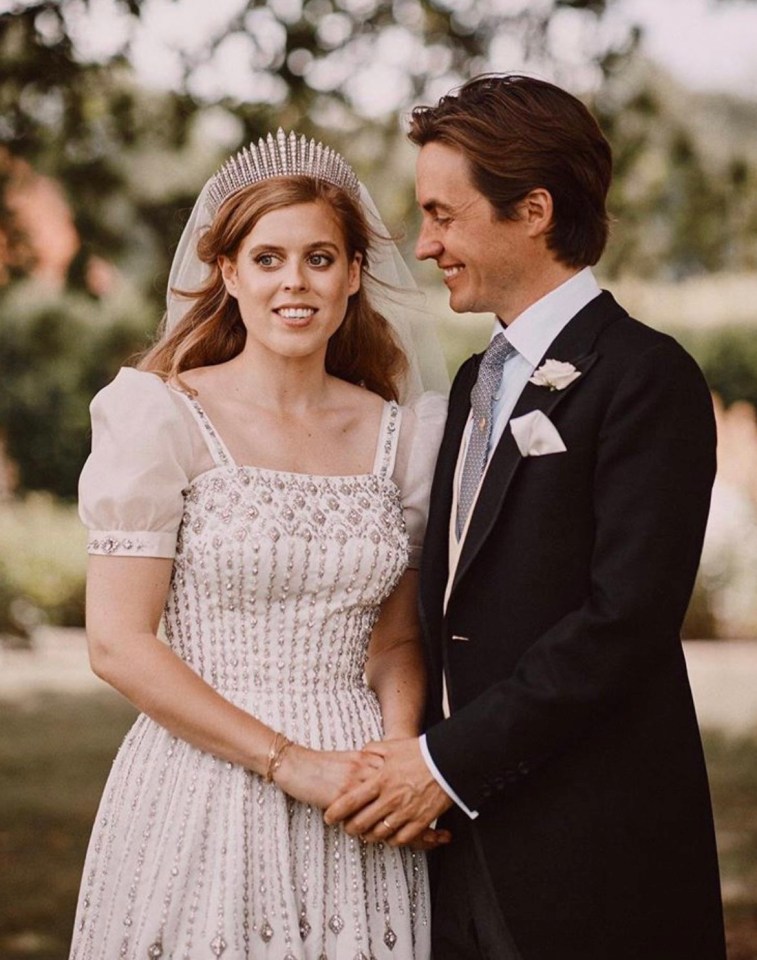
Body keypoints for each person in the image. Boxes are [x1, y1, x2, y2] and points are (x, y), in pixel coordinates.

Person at [325, 75, 727, 959]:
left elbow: (624, 622)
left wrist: (443, 764)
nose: (425, 244)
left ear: (533, 209)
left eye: (443, 214)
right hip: (458, 841)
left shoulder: (644, 378)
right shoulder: (475, 381)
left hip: (592, 844)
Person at [70, 130, 449, 960]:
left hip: (358, 792)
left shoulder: (405, 438)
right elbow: (118, 644)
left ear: (354, 273)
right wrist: (288, 763)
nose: (294, 283)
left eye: (319, 258)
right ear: (229, 273)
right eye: (268, 258)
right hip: (203, 779)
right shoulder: (160, 417)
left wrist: (395, 759)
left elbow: (395, 640)